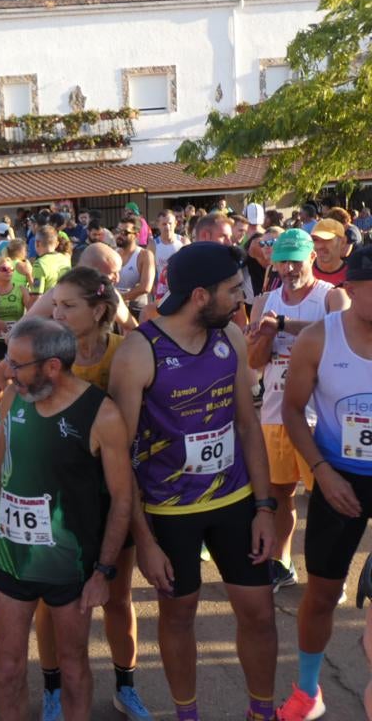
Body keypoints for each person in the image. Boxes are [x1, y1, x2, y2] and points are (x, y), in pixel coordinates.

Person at [109, 243, 278, 721]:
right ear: (199, 295)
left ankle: (262, 712)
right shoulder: (139, 352)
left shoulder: (233, 338)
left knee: (260, 613)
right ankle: (188, 714)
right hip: (168, 511)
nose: (239, 300)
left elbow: (247, 426)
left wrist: (265, 508)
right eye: (231, 291)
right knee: (178, 616)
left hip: (235, 500)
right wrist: (143, 540)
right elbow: (119, 455)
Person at [0, 317, 133, 721]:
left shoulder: (102, 414)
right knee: (8, 668)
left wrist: (104, 572)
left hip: (70, 568)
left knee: (74, 668)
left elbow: (123, 498)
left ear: (53, 367)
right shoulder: (12, 397)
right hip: (10, 559)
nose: (6, 370)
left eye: (18, 364)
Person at [32, 267, 152, 721]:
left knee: (118, 598)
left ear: (99, 310)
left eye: (68, 305)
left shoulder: (125, 353)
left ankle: (126, 685)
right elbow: (9, 388)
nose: (56, 313)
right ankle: (52, 689)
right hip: (56, 498)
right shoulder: (44, 353)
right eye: (54, 305)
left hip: (108, 495)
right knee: (51, 601)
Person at [276, 246, 372, 720]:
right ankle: (309, 690)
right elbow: (292, 410)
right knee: (322, 593)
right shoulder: (319, 338)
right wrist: (321, 470)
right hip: (339, 477)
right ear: (350, 290)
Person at [246, 229, 346, 593]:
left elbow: (340, 333)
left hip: (325, 416)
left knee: (332, 499)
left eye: (295, 261)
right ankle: (281, 563)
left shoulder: (332, 296)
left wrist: (284, 325)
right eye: (282, 261)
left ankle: (332, 573)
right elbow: (255, 361)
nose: (289, 269)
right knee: (278, 494)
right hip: (276, 411)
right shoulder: (263, 301)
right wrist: (266, 336)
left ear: (312, 259)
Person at [0, 257, 32, 430]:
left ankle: (12, 409)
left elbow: (33, 313)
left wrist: (21, 324)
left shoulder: (21, 290)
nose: (9, 272)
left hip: (16, 342)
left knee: (17, 376)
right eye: (4, 269)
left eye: (10, 269)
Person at [115, 216, 155, 319]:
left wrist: (122, 298)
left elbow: (146, 287)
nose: (119, 235)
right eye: (118, 231)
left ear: (136, 235)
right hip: (115, 309)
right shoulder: (113, 253)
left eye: (124, 233)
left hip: (136, 310)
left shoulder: (144, 255)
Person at [27, 226, 71, 305]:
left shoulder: (39, 264)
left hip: (48, 309)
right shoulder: (66, 259)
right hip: (64, 306)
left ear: (37, 243)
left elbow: (37, 296)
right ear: (57, 243)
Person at [311, 218, 349, 287]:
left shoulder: (354, 277)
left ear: (343, 242)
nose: (319, 246)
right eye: (315, 240)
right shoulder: (303, 273)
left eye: (327, 239)